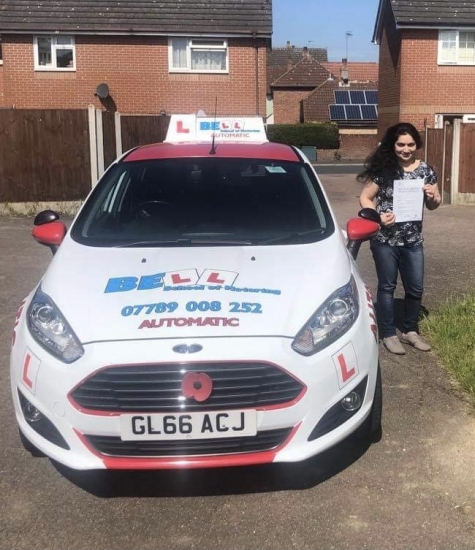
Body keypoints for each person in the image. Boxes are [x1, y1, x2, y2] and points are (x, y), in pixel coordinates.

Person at [357, 122, 441, 355]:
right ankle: (388, 333)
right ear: (393, 145)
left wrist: (433, 196)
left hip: (413, 240)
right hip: (385, 239)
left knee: (415, 287)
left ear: (417, 144)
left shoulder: (426, 170)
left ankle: (410, 331)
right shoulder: (384, 169)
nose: (406, 149)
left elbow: (434, 205)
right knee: (387, 287)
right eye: (401, 144)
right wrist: (378, 217)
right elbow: (365, 197)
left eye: (411, 144)